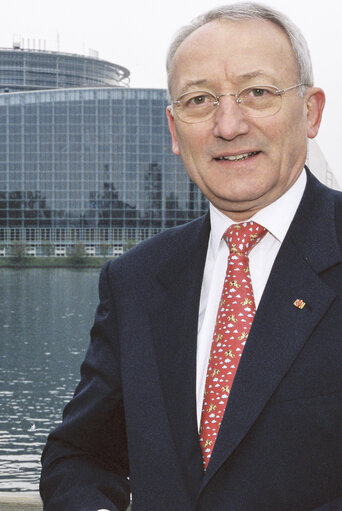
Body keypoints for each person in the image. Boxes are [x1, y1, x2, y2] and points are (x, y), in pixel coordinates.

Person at [40, 3, 342, 510]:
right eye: (200, 100)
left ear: (310, 112)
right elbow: (81, 454)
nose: (228, 124)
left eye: (258, 93)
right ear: (176, 130)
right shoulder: (134, 279)